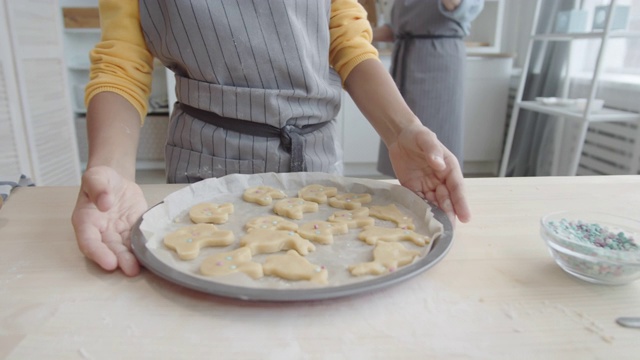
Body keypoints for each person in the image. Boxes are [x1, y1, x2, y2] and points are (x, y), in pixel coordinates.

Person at [71, 0, 471, 277]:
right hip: (207, 156)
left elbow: (348, 40)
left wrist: (402, 130)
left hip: (316, 157)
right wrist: (112, 171)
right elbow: (121, 64)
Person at [375, 0, 484, 177]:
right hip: (405, 59)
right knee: (400, 128)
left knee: (435, 133)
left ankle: (440, 186)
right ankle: (404, 188)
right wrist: (350, 33)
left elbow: (458, 5)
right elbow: (394, 29)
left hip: (437, 59)